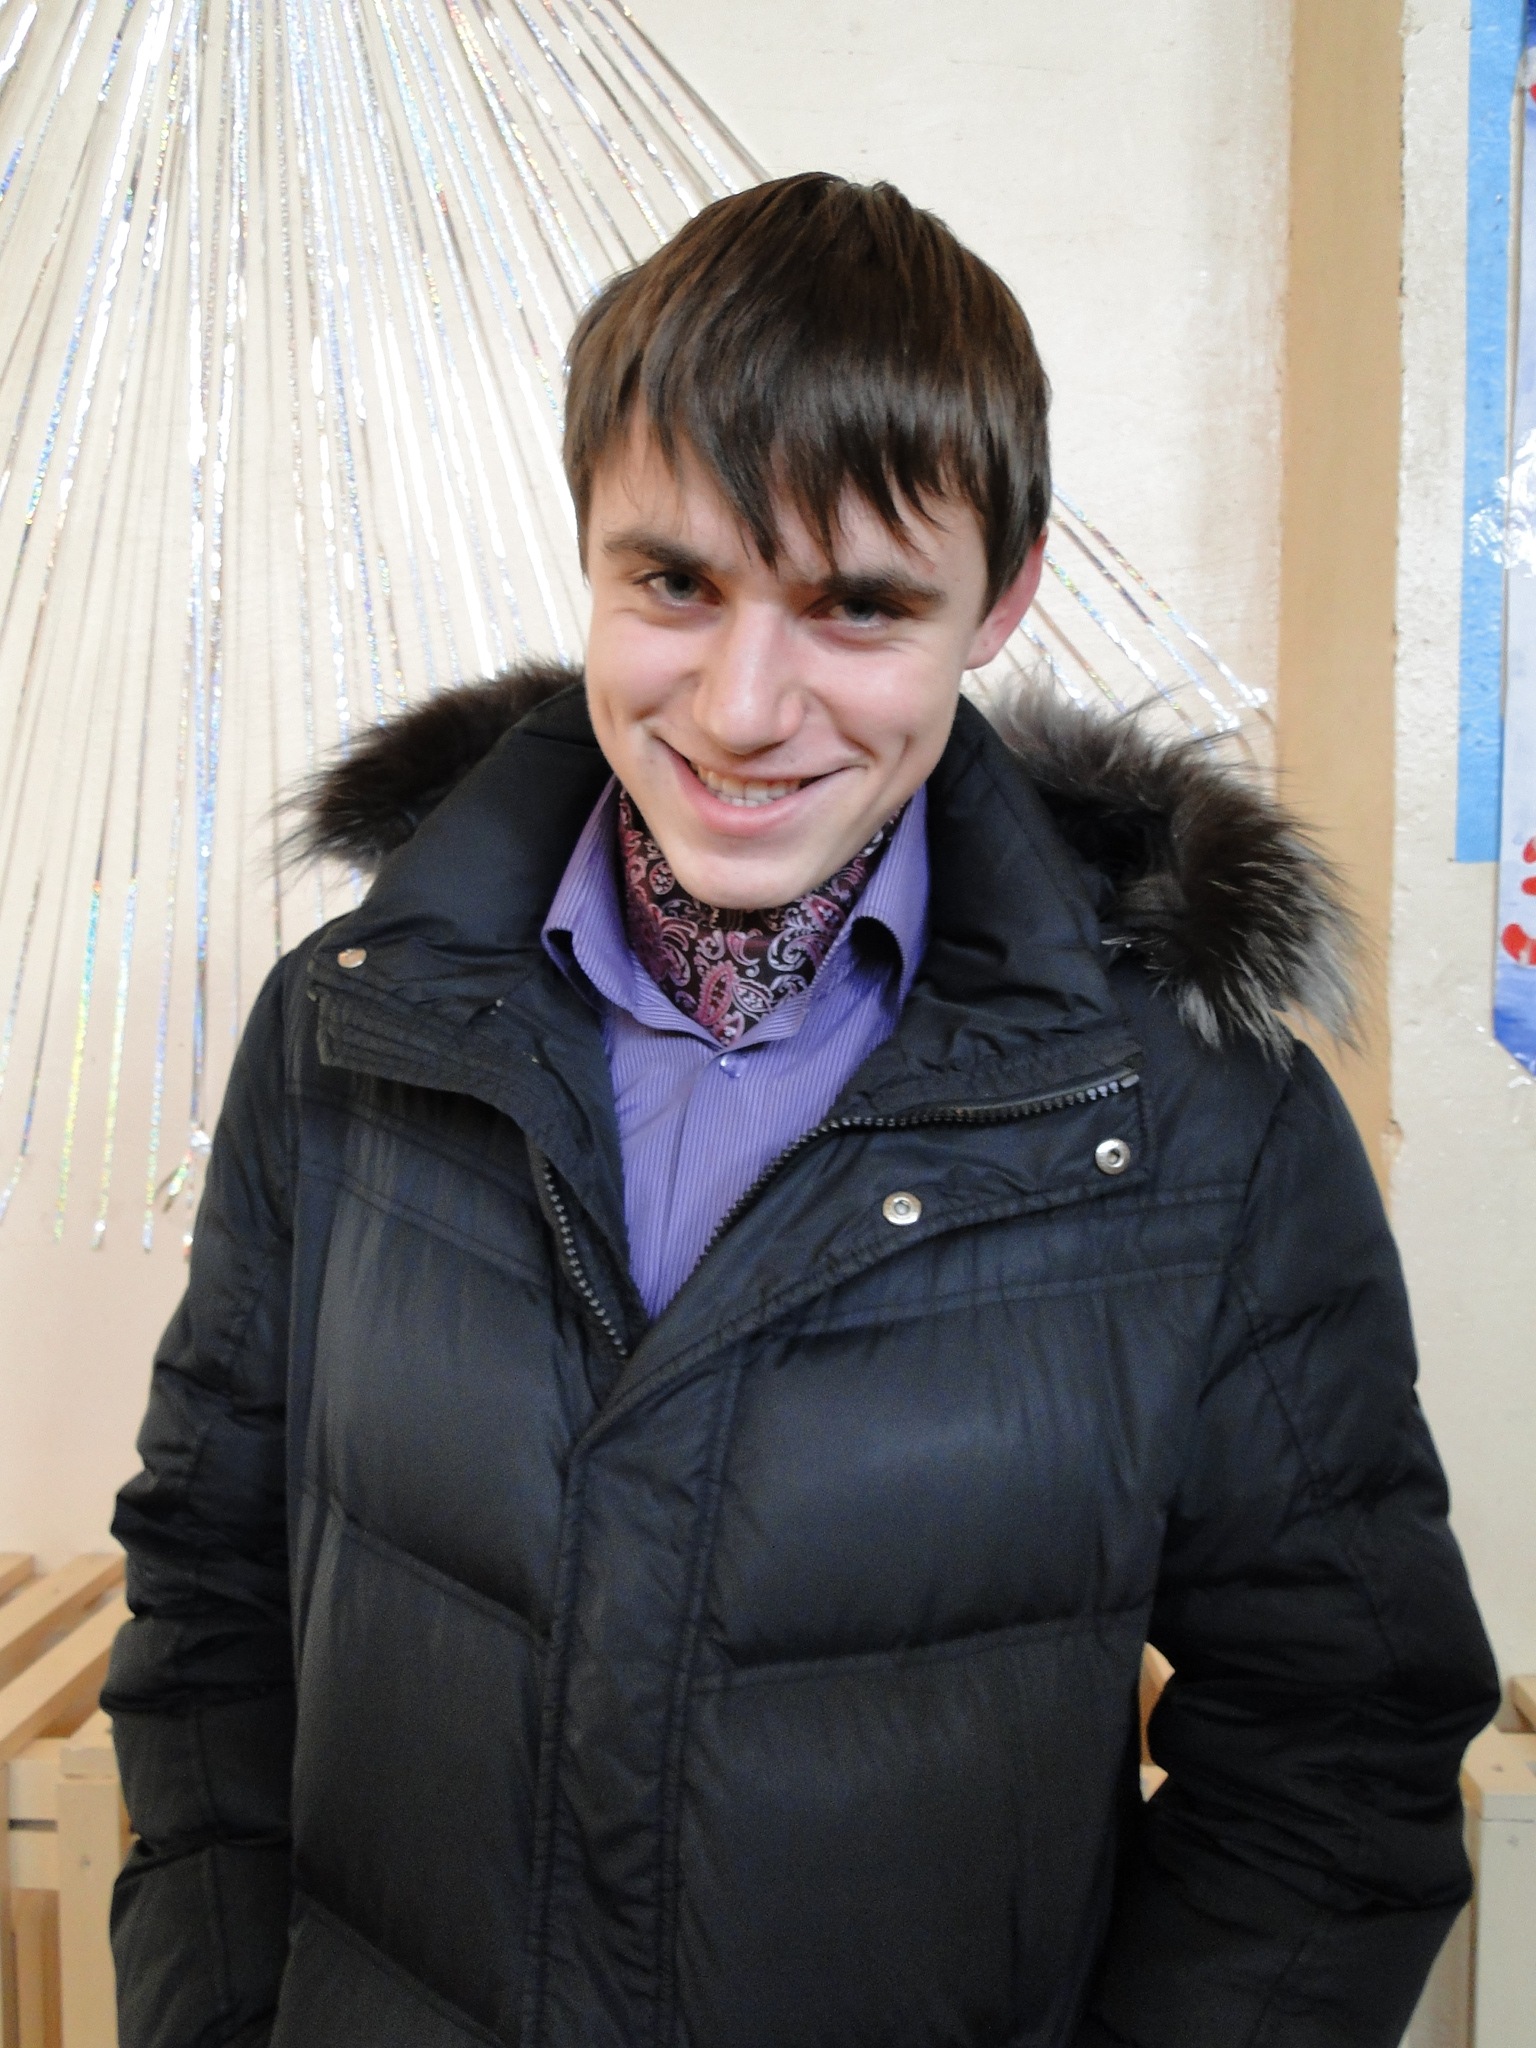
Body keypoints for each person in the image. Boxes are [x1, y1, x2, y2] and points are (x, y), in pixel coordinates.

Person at [104, 173, 1498, 2048]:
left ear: (1000, 599)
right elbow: (210, 1600)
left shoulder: (1197, 1132)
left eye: (858, 605)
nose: (745, 706)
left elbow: (1341, 1751)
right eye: (675, 581)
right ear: (587, 545)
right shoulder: (346, 1030)